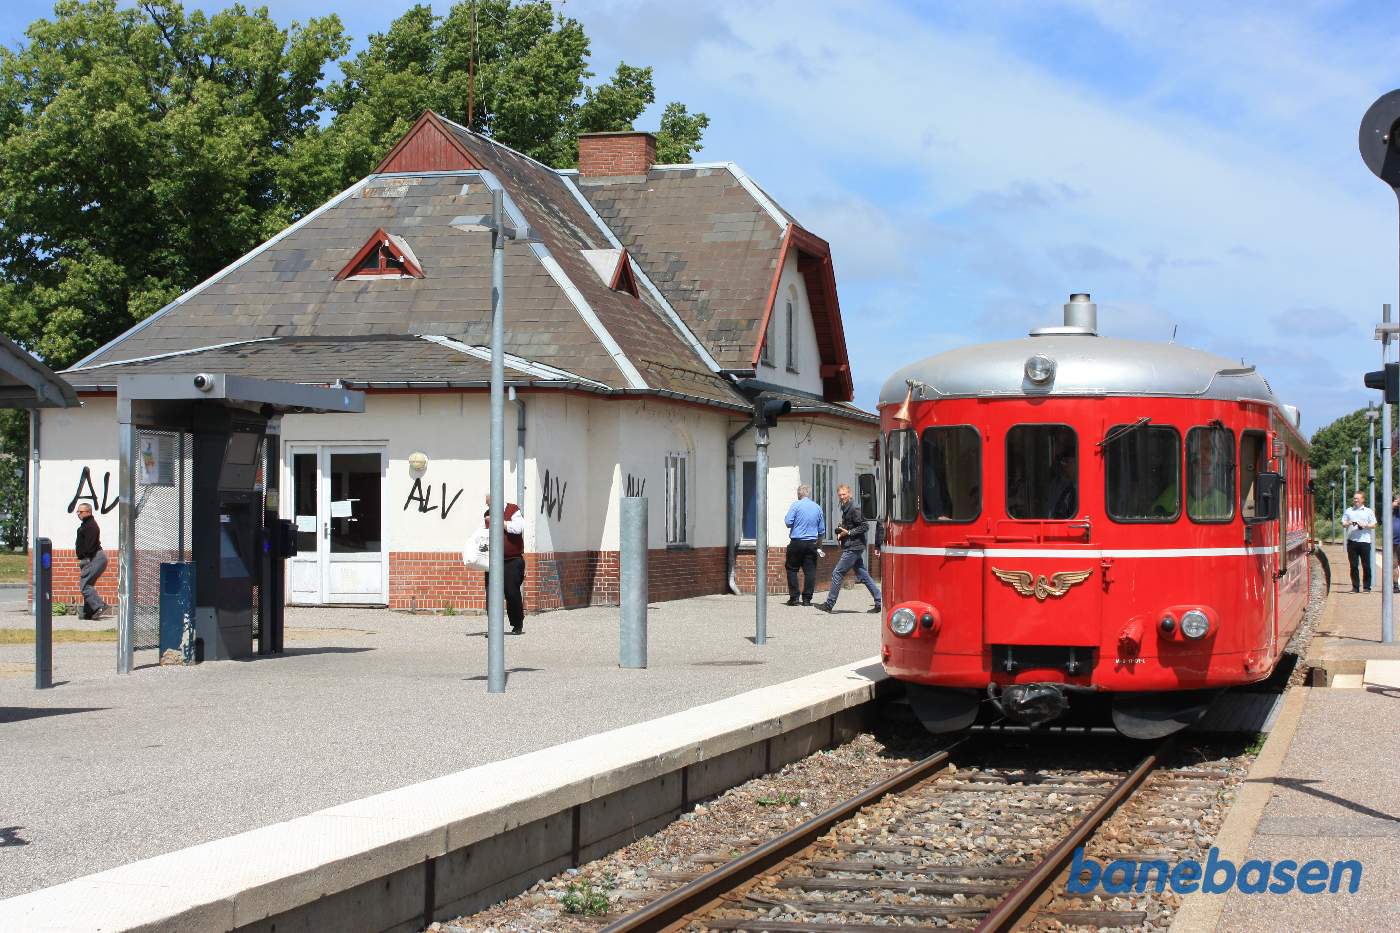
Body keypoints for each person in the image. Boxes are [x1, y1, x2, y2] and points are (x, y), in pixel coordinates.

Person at [815, 484, 881, 614]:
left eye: (844, 494)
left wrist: (849, 533)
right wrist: (840, 530)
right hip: (853, 545)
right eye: (840, 495)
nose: (842, 497)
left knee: (837, 573)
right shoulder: (845, 508)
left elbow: (865, 526)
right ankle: (879, 601)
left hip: (854, 546)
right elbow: (850, 526)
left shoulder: (854, 508)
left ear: (849, 494)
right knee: (863, 574)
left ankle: (829, 604)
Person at [483, 495, 526, 633]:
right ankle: (494, 628)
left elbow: (518, 528)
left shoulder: (513, 510)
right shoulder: (487, 514)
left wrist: (499, 521)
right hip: (492, 562)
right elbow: (484, 533)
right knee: (491, 594)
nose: (488, 507)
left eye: (490, 504)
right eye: (487, 505)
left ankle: (517, 623)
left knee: (512, 593)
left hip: (512, 560)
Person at [783, 484, 825, 605]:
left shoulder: (796, 505)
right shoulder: (817, 507)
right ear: (809, 494)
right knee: (810, 571)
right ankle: (807, 599)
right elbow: (821, 530)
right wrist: (819, 546)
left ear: (799, 494)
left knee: (791, 569)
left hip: (796, 542)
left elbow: (788, 522)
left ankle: (794, 598)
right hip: (812, 543)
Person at [74, 502, 109, 620]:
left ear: (88, 512)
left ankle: (99, 606)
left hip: (93, 557)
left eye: (81, 512)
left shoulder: (90, 526)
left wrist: (87, 558)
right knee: (88, 584)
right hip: (92, 557)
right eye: (77, 512)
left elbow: (90, 545)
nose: (78, 514)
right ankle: (88, 612)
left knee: (84, 586)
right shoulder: (86, 525)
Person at [1342, 491, 1377, 594]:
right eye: (1354, 498)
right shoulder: (1349, 511)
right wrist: (1348, 523)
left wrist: (1365, 525)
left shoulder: (1368, 511)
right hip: (1352, 542)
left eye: (1357, 498)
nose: (1355, 500)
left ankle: (1366, 587)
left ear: (1363, 500)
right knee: (1353, 566)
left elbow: (1374, 525)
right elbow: (1343, 523)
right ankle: (1355, 587)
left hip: (1365, 542)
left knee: (1366, 565)